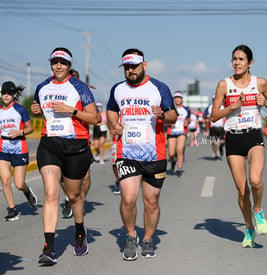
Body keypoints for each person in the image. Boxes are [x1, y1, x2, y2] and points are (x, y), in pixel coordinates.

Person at [106, 48, 177, 260]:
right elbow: (111, 109)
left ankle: (147, 238)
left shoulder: (159, 88)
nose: (130, 70)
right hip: (127, 152)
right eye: (126, 67)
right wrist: (113, 123)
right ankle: (130, 235)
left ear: (144, 65)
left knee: (151, 201)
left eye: (134, 66)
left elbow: (173, 115)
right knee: (128, 198)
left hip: (155, 154)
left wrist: (163, 115)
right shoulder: (118, 89)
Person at [31, 47, 99, 265]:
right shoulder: (42, 86)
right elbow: (40, 109)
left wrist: (73, 111)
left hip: (75, 146)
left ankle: (80, 231)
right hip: (50, 144)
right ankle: (49, 248)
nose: (58, 66)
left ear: (69, 66)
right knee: (51, 194)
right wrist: (36, 111)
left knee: (74, 196)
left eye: (62, 62)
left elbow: (95, 119)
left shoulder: (79, 87)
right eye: (54, 62)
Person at [210, 45, 267, 248]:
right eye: (234, 59)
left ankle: (257, 210)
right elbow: (213, 116)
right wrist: (230, 107)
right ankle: (249, 227)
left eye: (241, 59)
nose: (236, 63)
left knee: (255, 181)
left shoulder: (261, 83)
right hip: (233, 139)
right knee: (241, 191)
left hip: (253, 136)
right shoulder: (224, 85)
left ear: (250, 62)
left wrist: (264, 101)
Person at [60, 69, 99, 219]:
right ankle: (70, 198)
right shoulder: (57, 92)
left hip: (81, 139)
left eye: (75, 78)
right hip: (60, 140)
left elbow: (96, 118)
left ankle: (78, 200)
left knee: (86, 177)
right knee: (62, 176)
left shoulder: (84, 93)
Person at [0, 81, 37, 221]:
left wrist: (19, 132)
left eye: (9, 93)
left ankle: (27, 192)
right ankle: (13, 210)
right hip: (3, 150)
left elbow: (30, 128)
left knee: (19, 184)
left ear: (14, 95)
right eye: (4, 93)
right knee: (5, 180)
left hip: (19, 149)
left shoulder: (20, 110)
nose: (6, 96)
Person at [166, 91, 190, 177]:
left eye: (179, 98)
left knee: (180, 150)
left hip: (182, 132)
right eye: (175, 98)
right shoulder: (169, 108)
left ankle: (179, 168)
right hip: (171, 132)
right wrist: (169, 122)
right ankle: (173, 162)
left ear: (182, 99)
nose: (177, 99)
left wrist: (187, 122)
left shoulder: (186, 109)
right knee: (171, 153)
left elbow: (188, 119)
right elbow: (164, 119)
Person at [203, 96, 225, 160]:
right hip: (213, 127)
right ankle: (216, 155)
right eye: (214, 99)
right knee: (213, 142)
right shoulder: (209, 107)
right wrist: (208, 117)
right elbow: (204, 115)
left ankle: (220, 148)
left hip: (221, 127)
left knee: (222, 142)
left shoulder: (223, 107)